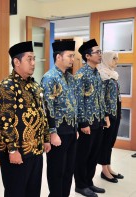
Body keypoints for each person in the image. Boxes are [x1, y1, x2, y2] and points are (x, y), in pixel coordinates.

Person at [0, 41, 51, 197]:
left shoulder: (35, 86)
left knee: (33, 191)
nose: (33, 63)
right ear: (16, 62)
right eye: (29, 59)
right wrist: (12, 150)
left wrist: (45, 138)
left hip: (36, 150)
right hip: (17, 152)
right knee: (16, 192)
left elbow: (42, 113)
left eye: (34, 59)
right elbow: (4, 121)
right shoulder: (7, 86)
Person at [41, 41, 78, 197]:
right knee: (57, 170)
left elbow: (74, 103)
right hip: (58, 132)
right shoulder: (50, 78)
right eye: (70, 56)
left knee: (69, 169)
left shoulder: (70, 77)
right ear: (58, 57)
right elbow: (46, 108)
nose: (72, 59)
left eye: (73, 56)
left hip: (71, 130)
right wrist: (52, 132)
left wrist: (75, 128)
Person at [74, 39, 110, 197]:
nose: (100, 55)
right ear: (88, 56)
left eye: (101, 52)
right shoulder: (81, 75)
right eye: (97, 52)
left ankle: (89, 182)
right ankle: (81, 185)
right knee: (83, 155)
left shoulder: (97, 73)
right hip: (86, 123)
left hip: (98, 120)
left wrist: (104, 116)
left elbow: (100, 97)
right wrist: (83, 122)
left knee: (94, 154)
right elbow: (78, 100)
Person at [97, 51, 124, 183]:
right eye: (114, 59)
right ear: (107, 59)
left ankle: (108, 166)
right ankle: (104, 170)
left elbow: (116, 96)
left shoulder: (113, 74)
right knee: (106, 142)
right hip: (108, 115)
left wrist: (119, 112)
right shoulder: (103, 75)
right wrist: (106, 115)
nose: (116, 61)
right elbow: (102, 98)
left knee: (111, 142)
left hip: (116, 112)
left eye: (117, 59)